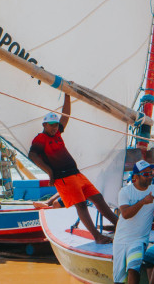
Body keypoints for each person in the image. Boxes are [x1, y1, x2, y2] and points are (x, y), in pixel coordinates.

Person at [28, 94, 118, 244]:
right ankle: (97, 236)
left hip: (76, 174)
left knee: (98, 198)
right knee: (81, 205)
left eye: (55, 125)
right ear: (44, 125)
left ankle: (119, 225)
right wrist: (49, 172)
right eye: (51, 125)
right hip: (63, 178)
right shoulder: (40, 139)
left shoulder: (57, 133)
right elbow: (33, 155)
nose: (54, 127)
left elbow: (66, 115)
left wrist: (67, 95)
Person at [113, 161, 154, 284]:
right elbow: (125, 214)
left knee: (133, 269)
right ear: (135, 177)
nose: (150, 176)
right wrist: (143, 202)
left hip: (139, 240)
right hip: (120, 240)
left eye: (151, 173)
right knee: (119, 279)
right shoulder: (125, 192)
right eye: (146, 174)